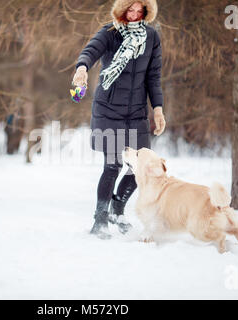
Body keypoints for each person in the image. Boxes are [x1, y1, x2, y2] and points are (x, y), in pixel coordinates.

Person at [73, 0, 166, 239]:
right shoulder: (110, 32)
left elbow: (153, 77)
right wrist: (82, 68)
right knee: (112, 165)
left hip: (136, 112)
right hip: (109, 110)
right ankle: (100, 219)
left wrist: (157, 109)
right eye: (130, 10)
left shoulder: (151, 37)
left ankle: (117, 210)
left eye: (139, 11)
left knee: (142, 167)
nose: (134, 15)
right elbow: (91, 50)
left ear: (146, 12)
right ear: (122, 10)